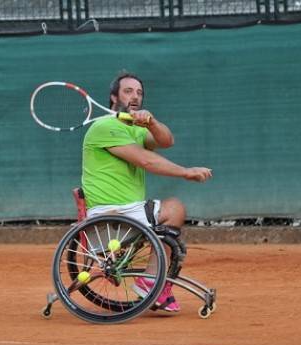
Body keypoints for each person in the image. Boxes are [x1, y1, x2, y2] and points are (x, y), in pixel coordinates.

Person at [81, 71, 212, 312]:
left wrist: (151, 122)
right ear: (113, 98)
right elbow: (146, 160)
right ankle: (151, 281)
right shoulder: (104, 126)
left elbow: (166, 141)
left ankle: (153, 280)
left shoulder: (135, 129)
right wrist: (185, 172)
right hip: (112, 215)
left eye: (139, 93)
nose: (135, 97)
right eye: (128, 91)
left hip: (127, 214)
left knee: (171, 215)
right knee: (174, 209)